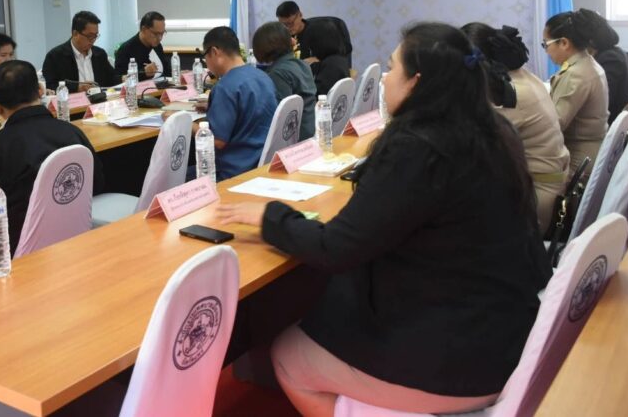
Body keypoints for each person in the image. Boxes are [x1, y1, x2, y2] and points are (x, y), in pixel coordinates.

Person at [218, 23, 550, 416]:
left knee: (288, 357)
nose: (385, 79)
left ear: (416, 82)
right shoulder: (494, 130)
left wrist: (270, 217)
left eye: (392, 69)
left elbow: (336, 248)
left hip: (460, 359)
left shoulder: (420, 146)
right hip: (506, 333)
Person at [0, 60, 104, 272]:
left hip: (14, 251)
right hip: (69, 237)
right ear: (40, 90)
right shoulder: (70, 131)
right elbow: (97, 181)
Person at [462, 22, 569, 230]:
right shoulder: (524, 76)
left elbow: (473, 146)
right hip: (549, 184)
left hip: (537, 198)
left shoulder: (508, 95)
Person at [200, 26, 278, 180]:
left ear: (214, 52)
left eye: (205, 56)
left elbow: (217, 140)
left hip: (232, 172)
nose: (206, 63)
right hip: (262, 165)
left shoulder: (225, 87)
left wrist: (186, 124)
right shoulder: (263, 77)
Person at [543, 10, 609, 171]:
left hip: (578, 161)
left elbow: (554, 126)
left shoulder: (575, 75)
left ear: (564, 43)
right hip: (593, 152)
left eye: (546, 44)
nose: (546, 51)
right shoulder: (588, 63)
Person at [252, 21, 316, 142]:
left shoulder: (278, 73)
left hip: (294, 141)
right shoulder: (302, 64)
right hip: (309, 131)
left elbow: (280, 115)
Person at [275, 1, 351, 95]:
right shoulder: (283, 38)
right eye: (284, 25)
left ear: (300, 15)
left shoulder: (319, 31)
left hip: (317, 83)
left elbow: (341, 50)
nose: (288, 28)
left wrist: (316, 60)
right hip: (295, 82)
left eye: (291, 23)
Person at [41, 10, 119, 92]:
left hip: (100, 98)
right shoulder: (55, 56)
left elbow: (111, 78)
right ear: (75, 34)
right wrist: (76, 88)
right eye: (89, 36)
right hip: (72, 99)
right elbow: (50, 86)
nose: (93, 40)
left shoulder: (99, 54)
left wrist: (122, 78)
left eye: (95, 36)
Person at [577, 9, 628, 123]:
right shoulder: (613, 53)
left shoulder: (610, 58)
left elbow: (603, 102)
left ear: (589, 40)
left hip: (607, 124)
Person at [114, 11, 172, 80]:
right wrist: (143, 73)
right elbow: (118, 79)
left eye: (162, 33)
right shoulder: (125, 50)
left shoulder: (157, 46)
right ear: (143, 29)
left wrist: (178, 74)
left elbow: (166, 71)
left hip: (162, 84)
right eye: (156, 34)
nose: (160, 38)